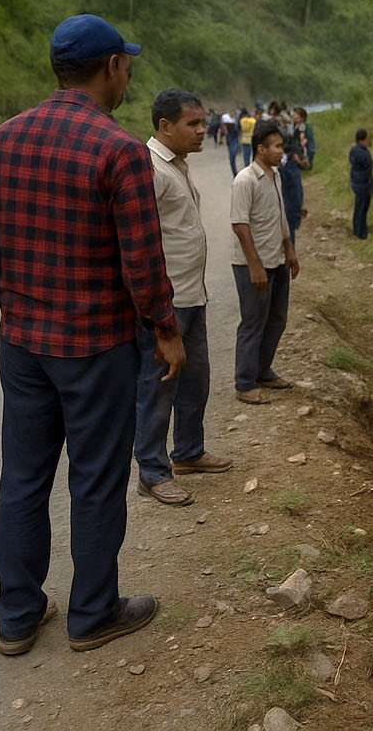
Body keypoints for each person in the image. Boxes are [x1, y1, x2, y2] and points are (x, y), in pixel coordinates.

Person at [0, 14, 182, 655]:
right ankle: (92, 613)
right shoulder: (118, 149)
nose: (128, 76)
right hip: (96, 346)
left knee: (23, 477)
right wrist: (166, 329)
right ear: (112, 66)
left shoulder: (5, 138)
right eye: (126, 65)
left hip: (22, 343)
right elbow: (142, 263)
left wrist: (12, 301)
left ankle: (17, 616)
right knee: (95, 477)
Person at [136, 89, 233, 507]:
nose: (202, 130)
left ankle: (189, 452)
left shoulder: (176, 164)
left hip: (193, 295)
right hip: (166, 302)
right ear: (164, 126)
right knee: (159, 387)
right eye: (192, 124)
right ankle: (153, 472)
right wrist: (157, 310)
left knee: (196, 380)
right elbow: (140, 243)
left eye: (203, 122)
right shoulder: (149, 168)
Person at [230, 120, 298, 405]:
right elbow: (240, 225)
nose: (281, 151)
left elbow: (279, 215)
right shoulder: (244, 180)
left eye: (281, 146)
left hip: (277, 259)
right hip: (253, 265)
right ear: (261, 149)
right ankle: (244, 383)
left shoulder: (275, 175)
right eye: (277, 146)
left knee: (277, 319)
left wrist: (289, 247)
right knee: (253, 322)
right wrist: (255, 265)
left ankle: (262, 371)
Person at [278, 123, 308, 247]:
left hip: (287, 209)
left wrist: (300, 204)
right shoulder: (289, 162)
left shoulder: (289, 162)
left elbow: (296, 186)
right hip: (282, 210)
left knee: (288, 241)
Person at [350, 128, 373, 240]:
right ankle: (361, 232)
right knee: (362, 208)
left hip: (356, 181)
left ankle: (357, 229)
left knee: (358, 207)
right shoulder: (362, 153)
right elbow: (368, 164)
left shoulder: (354, 150)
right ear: (363, 139)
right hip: (362, 183)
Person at [221, 108, 239, 175]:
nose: (233, 114)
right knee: (232, 156)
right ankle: (234, 173)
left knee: (233, 153)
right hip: (230, 136)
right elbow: (223, 126)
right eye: (232, 113)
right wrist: (224, 134)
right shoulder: (226, 117)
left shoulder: (236, 120)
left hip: (235, 136)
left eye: (234, 113)